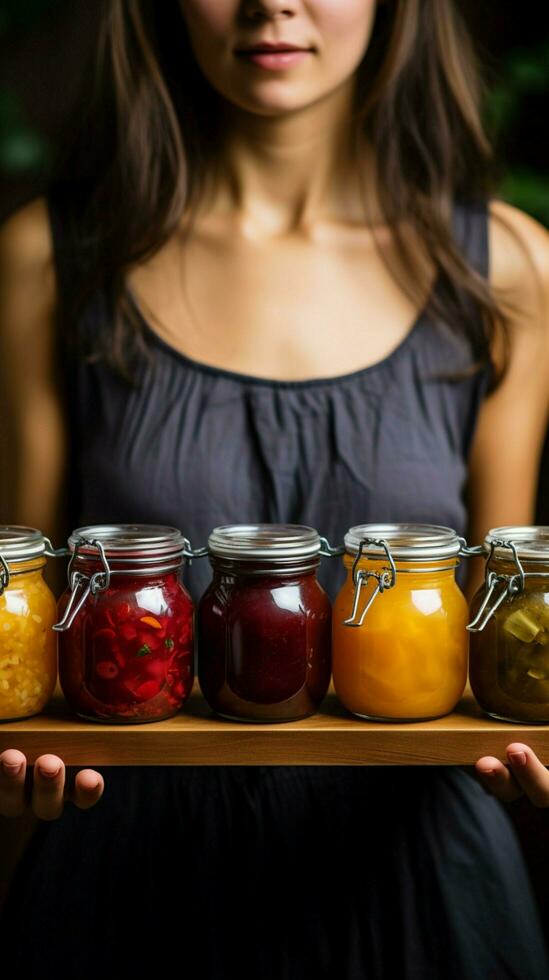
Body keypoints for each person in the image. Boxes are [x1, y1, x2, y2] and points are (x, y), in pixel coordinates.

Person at [1, 0, 549, 976]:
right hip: (124, 876)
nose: (271, 3)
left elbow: (504, 604)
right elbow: (24, 593)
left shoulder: (507, 266)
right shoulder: (49, 258)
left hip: (423, 882)